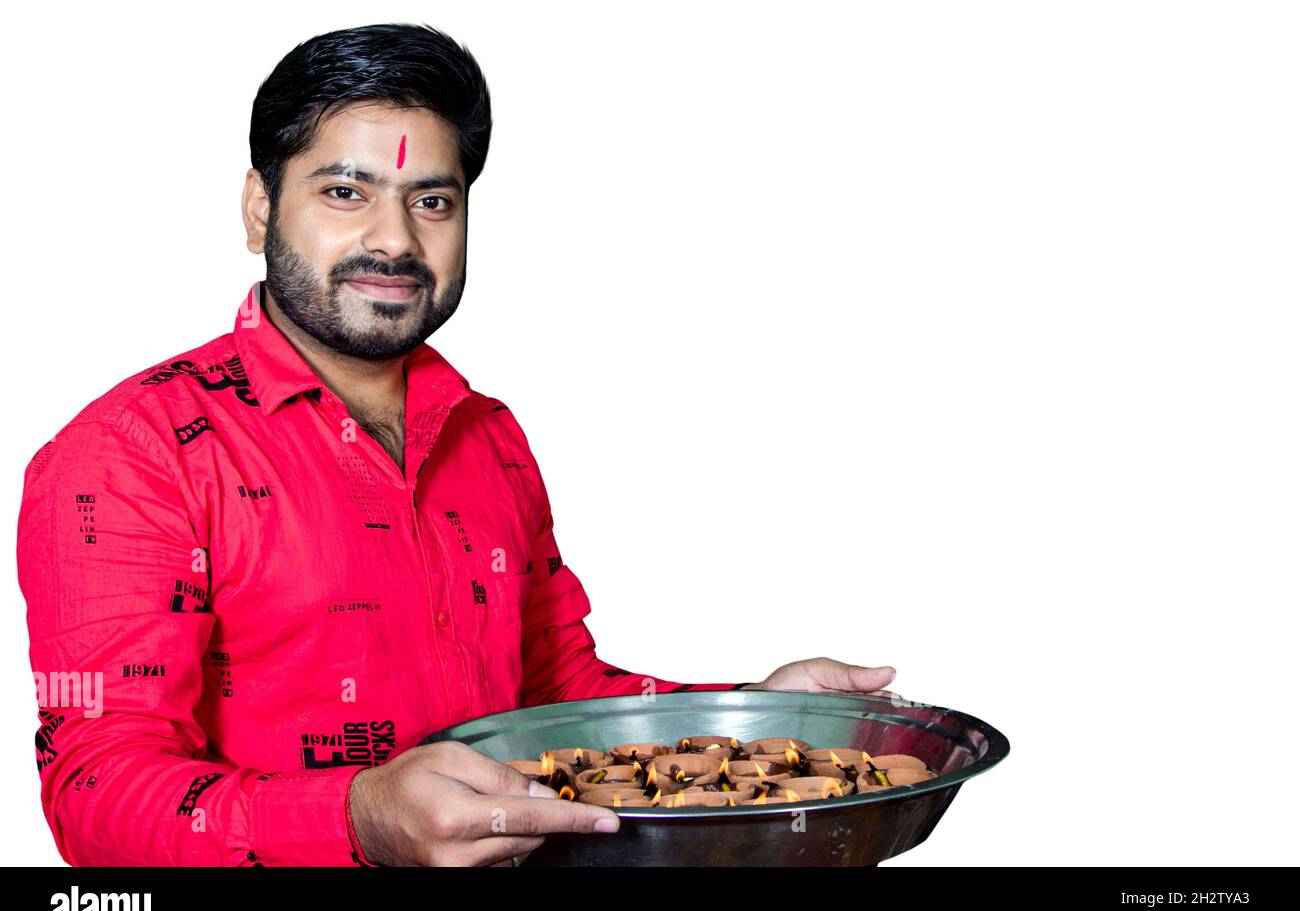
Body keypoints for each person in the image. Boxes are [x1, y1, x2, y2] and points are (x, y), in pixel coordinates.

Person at [17, 22, 898, 868]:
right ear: (259, 208)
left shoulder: (488, 435)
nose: (396, 240)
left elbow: (558, 703)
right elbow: (95, 794)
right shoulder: (128, 456)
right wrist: (359, 818)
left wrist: (757, 716)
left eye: (430, 200)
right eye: (345, 192)